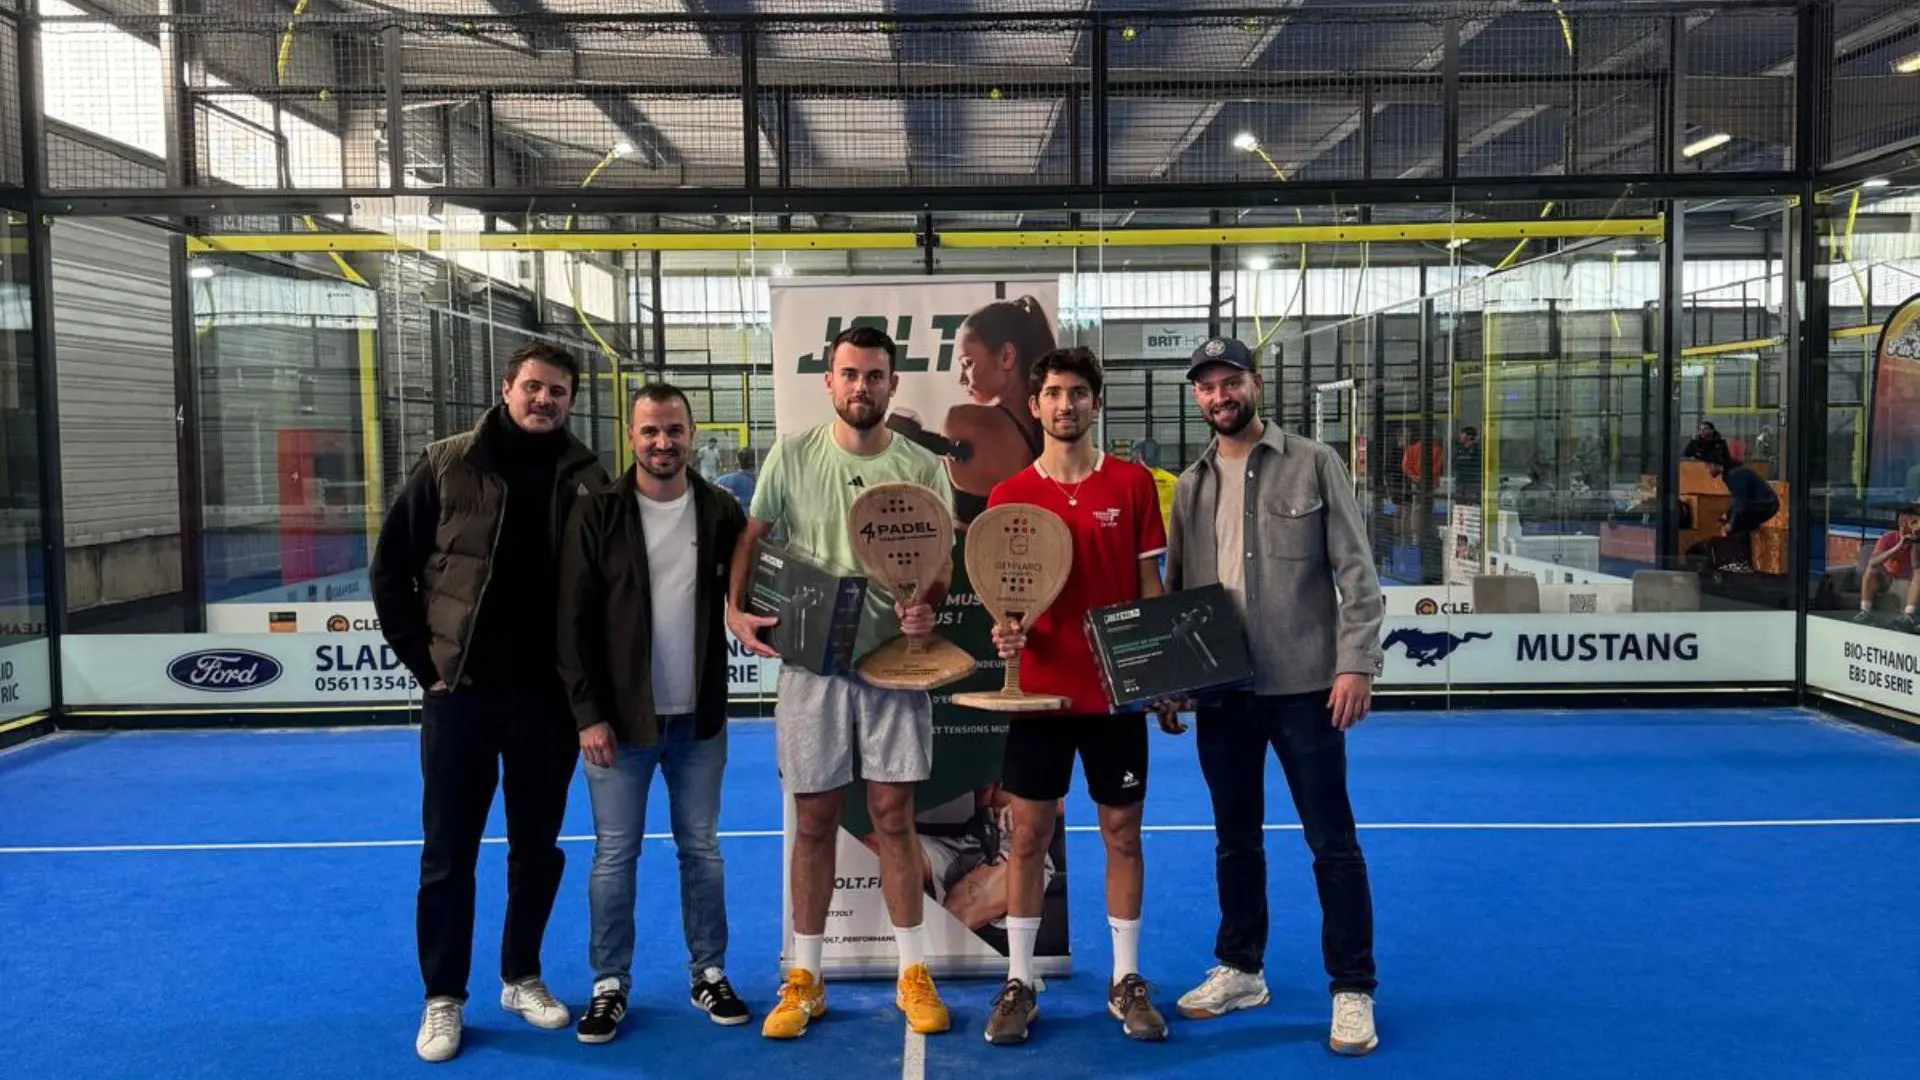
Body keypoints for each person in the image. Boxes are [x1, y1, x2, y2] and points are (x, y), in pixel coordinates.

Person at [370, 343, 610, 1064]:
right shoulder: (446, 463)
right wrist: (429, 668)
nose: (545, 400)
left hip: (547, 704)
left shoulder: (588, 475)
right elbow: (391, 571)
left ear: (570, 401)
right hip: (462, 698)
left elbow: (601, 591)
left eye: (558, 392)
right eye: (534, 387)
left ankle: (522, 976)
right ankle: (443, 997)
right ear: (506, 389)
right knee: (449, 854)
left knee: (536, 851)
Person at [725, 325, 955, 1041]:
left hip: (892, 662)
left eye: (875, 375)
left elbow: (941, 566)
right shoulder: (791, 459)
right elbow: (751, 540)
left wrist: (928, 606)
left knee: (893, 817)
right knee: (815, 820)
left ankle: (912, 972)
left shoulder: (921, 466)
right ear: (829, 382)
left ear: (892, 385)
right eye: (849, 374)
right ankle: (806, 978)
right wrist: (734, 610)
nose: (862, 386)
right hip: (810, 666)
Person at [1163, 337, 1385, 1057]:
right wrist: (1168, 681)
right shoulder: (1191, 486)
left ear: (1254, 385)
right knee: (1235, 841)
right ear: (1197, 397)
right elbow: (1178, 594)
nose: (1219, 396)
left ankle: (1351, 988)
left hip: (1307, 689)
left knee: (1333, 844)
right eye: (1207, 387)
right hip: (1222, 694)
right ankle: (1241, 967)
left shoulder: (1313, 462)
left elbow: (1358, 571)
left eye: (1230, 382)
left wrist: (1357, 664)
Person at [978, 345, 1173, 1046]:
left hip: (1116, 699)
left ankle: (1125, 981)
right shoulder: (1007, 497)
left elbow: (1151, 591)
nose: (1066, 404)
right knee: (1027, 838)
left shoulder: (1133, 485)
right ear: (1035, 406)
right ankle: (1019, 980)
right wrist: (1005, 636)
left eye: (1078, 393)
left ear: (1096, 402)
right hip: (1038, 699)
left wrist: (1162, 680)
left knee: (1123, 834)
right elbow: (1004, 602)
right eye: (1053, 393)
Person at [556, 384, 750, 1044]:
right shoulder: (598, 513)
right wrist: (587, 715)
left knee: (703, 851)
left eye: (673, 430)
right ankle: (609, 983)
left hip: (699, 721)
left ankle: (709, 972)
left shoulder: (721, 510)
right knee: (615, 854)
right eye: (649, 432)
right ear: (631, 437)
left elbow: (755, 585)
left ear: (692, 434)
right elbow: (570, 624)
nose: (662, 442)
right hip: (618, 722)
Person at [1854, 517, 1920, 630]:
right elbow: (1873, 562)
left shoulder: (1918, 541)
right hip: (1889, 579)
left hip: (1909, 583)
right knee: (1871, 570)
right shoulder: (1888, 538)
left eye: (1914, 523)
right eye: (1904, 523)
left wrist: (1915, 543)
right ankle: (1865, 612)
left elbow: (1916, 565)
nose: (1907, 527)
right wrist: (1898, 546)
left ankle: (1908, 617)